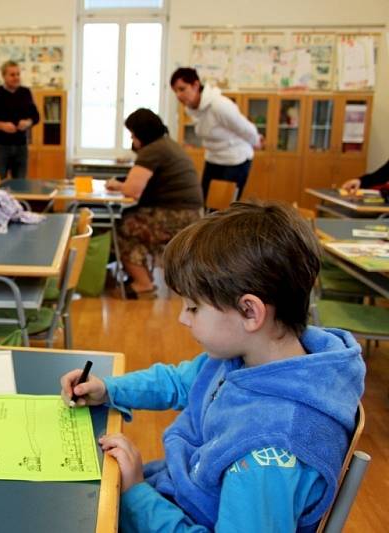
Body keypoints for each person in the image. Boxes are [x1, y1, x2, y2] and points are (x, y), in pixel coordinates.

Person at [60, 202, 365, 532]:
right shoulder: (259, 357)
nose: (182, 318)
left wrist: (136, 494)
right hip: (176, 495)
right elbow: (181, 382)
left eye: (193, 308)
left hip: (172, 513)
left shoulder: (268, 456)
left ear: (250, 312)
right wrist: (109, 389)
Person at [105, 108, 203, 299]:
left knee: (124, 226)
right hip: (188, 214)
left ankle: (143, 283)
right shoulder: (166, 145)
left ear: (142, 134)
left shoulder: (153, 150)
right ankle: (143, 278)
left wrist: (115, 184)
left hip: (176, 216)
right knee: (130, 219)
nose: (132, 140)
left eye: (133, 135)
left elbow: (133, 190)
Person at [170, 67, 261, 203]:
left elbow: (245, 128)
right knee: (206, 202)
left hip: (235, 159)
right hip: (214, 157)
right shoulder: (191, 109)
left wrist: (256, 141)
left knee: (223, 208)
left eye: (182, 89)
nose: (178, 95)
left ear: (195, 85)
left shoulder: (219, 105)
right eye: (175, 91)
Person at [0, 60, 40, 179]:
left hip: (21, 147)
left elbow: (36, 117)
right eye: (12, 75)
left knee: (21, 185)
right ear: (4, 76)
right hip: (0, 147)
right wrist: (1, 125)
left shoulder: (25, 92)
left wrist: (28, 123)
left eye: (18, 74)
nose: (16, 77)